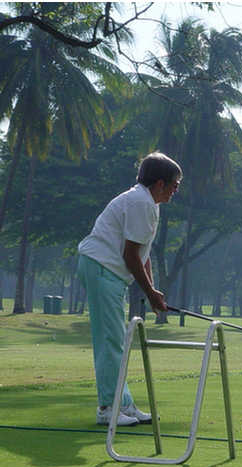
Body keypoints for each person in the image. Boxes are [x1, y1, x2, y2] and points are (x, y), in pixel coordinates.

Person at [77, 152, 181, 426]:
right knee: (111, 341)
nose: (176, 189)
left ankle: (123, 404)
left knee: (117, 340)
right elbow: (130, 255)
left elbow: (142, 254)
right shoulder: (140, 203)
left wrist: (153, 290)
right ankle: (107, 409)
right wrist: (150, 293)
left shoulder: (148, 203)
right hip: (101, 268)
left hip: (107, 271)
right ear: (159, 184)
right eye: (174, 184)